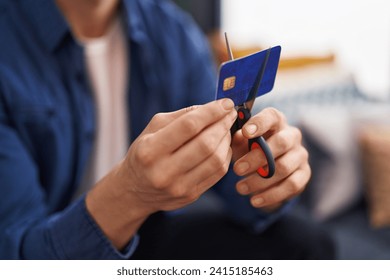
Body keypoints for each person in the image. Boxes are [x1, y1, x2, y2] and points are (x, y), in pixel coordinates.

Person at [0, 0, 334, 259]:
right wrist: (130, 194)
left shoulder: (170, 31)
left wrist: (272, 176)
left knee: (303, 243)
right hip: (53, 250)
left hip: (142, 241)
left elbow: (240, 187)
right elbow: (19, 258)